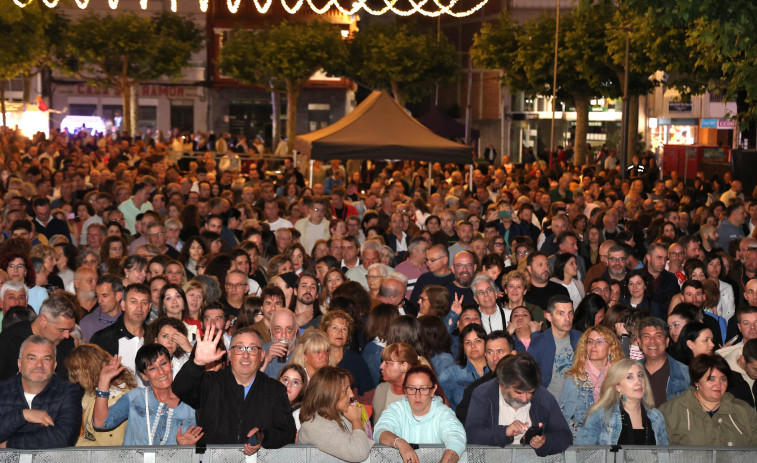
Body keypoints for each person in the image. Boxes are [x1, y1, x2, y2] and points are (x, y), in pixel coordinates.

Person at [173, 326, 296, 454]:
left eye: (253, 348)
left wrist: (263, 436)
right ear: (230, 354)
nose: (246, 355)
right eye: (239, 348)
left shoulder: (275, 390)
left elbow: (288, 432)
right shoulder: (210, 383)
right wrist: (197, 362)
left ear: (262, 356)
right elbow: (180, 388)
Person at [92, 344, 202, 446]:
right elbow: (101, 423)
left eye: (163, 363)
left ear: (171, 364)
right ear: (144, 375)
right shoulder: (135, 397)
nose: (161, 371)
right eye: (152, 368)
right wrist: (103, 381)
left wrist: (186, 448)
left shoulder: (192, 404)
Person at [465, 353, 572, 456]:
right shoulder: (484, 394)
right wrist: (504, 432)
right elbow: (472, 434)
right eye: (519, 392)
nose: (525, 398)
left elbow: (564, 436)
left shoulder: (542, 397)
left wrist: (544, 442)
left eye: (530, 392)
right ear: (504, 385)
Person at [0, 335, 82, 448]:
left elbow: (64, 438)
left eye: (46, 359)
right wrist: (23, 415)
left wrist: (8, 444)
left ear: (55, 366)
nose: (39, 364)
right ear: (19, 364)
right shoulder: (2, 391)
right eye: (32, 358)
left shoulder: (68, 392)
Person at [374, 365, 466, 463]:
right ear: (405, 390)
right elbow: (380, 430)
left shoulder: (443, 413)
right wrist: (400, 443)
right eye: (412, 389)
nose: (417, 395)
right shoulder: (396, 409)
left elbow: (456, 439)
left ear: (433, 390)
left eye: (423, 389)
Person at [660, 354, 757, 446]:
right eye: (711, 379)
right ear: (697, 381)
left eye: (723, 379)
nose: (718, 385)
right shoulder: (671, 411)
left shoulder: (743, 410)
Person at [576, 359, 668, 445]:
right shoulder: (601, 416)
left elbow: (663, 455)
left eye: (640, 375)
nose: (638, 381)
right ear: (618, 386)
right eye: (630, 377)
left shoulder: (656, 416)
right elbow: (582, 454)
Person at [65, 343, 137, 446]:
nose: (76, 380)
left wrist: (74, 442)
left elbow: (109, 447)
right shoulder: (92, 394)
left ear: (88, 372)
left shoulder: (116, 399)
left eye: (77, 375)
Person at [298, 366, 375, 462]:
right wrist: (356, 420)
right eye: (346, 389)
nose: (351, 394)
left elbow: (364, 444)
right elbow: (359, 453)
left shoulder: (340, 415)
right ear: (330, 394)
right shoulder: (315, 424)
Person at [560, 325, 624, 438]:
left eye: (599, 341)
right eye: (590, 341)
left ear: (610, 348)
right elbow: (563, 418)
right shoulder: (575, 379)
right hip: (583, 442)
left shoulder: (620, 377)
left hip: (613, 440)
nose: (593, 345)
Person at [0, 294, 76, 381]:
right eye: (62, 330)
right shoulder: (9, 340)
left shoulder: (67, 342)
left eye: (70, 330)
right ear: (43, 321)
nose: (67, 335)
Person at [526, 294, 582, 398]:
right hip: (550, 406)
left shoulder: (581, 338)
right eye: (561, 314)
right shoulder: (538, 344)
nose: (567, 318)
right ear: (549, 316)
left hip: (578, 405)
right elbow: (528, 380)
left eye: (570, 313)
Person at [455, 330, 516, 425]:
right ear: (485, 356)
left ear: (513, 354)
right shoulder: (475, 389)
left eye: (500, 351)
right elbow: (463, 422)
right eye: (490, 352)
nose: (495, 358)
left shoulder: (526, 384)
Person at [638, 317, 690, 407]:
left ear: (667, 342)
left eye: (658, 336)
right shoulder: (628, 372)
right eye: (646, 336)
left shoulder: (685, 374)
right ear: (639, 342)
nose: (652, 341)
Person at [321, 310, 375, 397]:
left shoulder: (356, 361)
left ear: (348, 335)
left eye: (344, 329)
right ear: (325, 331)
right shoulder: (319, 358)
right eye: (335, 328)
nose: (340, 332)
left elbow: (368, 394)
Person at [372, 342, 425, 425]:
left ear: (404, 366)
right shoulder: (381, 389)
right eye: (383, 362)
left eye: (387, 363)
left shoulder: (420, 396)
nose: (381, 366)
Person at [439, 324, 489, 410]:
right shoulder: (451, 373)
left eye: (478, 341)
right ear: (463, 347)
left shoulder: (496, 370)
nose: (473, 346)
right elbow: (440, 404)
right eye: (468, 343)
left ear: (486, 344)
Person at [277, 364, 308, 430]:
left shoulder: (298, 415)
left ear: (302, 388)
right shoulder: (268, 404)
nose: (289, 385)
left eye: (295, 382)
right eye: (285, 380)